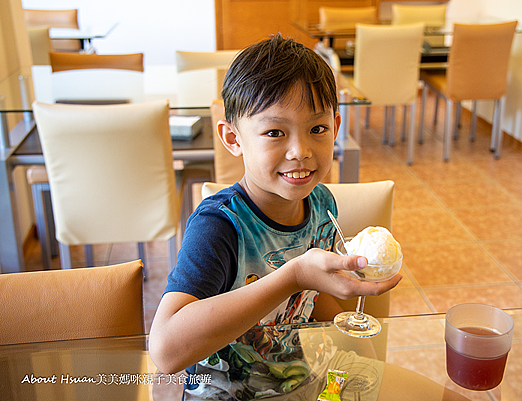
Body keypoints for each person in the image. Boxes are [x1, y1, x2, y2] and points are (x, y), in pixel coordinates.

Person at [148, 34, 402, 400]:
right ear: (233, 138)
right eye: (274, 132)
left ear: (336, 126)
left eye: (317, 129)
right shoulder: (219, 226)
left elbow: (312, 302)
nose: (300, 151)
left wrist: (348, 355)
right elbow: (166, 350)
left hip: (298, 385)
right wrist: (292, 276)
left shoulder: (322, 206)